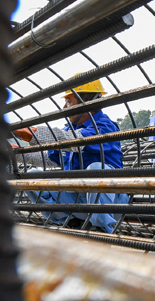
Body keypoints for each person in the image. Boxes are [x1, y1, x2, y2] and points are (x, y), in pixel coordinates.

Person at [13, 78, 128, 233]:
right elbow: (49, 158)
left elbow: (74, 141)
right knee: (32, 176)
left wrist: (30, 133)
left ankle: (102, 229)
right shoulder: (69, 129)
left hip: (112, 200)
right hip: (79, 199)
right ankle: (71, 222)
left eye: (68, 101)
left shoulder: (105, 127)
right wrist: (15, 151)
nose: (64, 107)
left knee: (96, 168)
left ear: (87, 102)